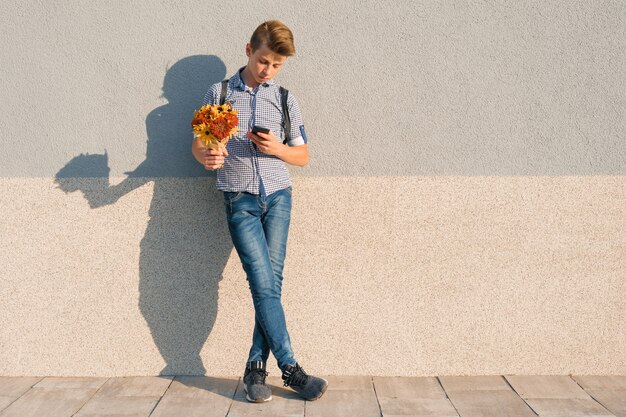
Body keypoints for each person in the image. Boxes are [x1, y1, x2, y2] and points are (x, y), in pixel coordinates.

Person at [191, 20, 328, 403]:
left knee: (271, 285)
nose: (268, 70)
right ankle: (292, 370)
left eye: (277, 65)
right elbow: (198, 146)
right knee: (263, 285)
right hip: (239, 200)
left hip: (279, 197)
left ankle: (255, 370)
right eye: (264, 60)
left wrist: (277, 150)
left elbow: (302, 155)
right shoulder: (218, 93)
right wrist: (209, 155)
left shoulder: (285, 98)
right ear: (249, 49)